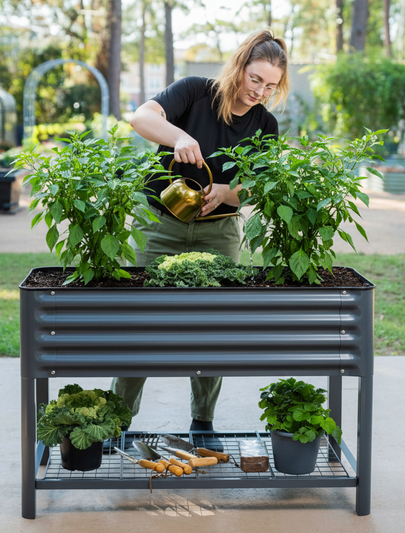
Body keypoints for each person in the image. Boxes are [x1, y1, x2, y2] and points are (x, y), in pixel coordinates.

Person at [111, 29, 290, 433]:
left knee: (212, 326)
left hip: (218, 231)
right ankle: (118, 422)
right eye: (255, 79)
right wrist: (179, 136)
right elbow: (141, 117)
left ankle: (202, 421)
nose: (260, 91)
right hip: (159, 225)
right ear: (239, 67)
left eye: (271, 85)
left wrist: (226, 192)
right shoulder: (194, 92)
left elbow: (257, 182)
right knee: (139, 323)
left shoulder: (266, 124)